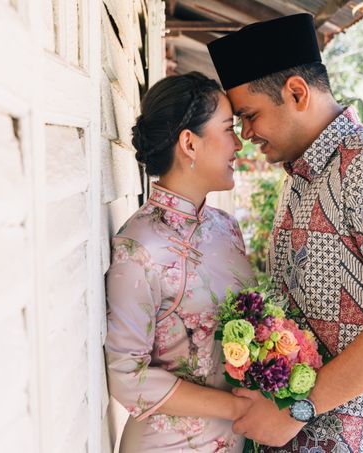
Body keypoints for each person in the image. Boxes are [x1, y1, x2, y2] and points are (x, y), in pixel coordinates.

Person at [207, 13, 363, 452]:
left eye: (250, 115)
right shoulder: (300, 175)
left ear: (296, 92)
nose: (246, 134)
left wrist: (298, 408)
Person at [104, 72, 256, 452]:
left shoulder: (226, 228)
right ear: (189, 142)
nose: (238, 143)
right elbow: (126, 375)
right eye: (228, 129)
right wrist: (235, 406)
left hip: (233, 437)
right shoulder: (138, 247)